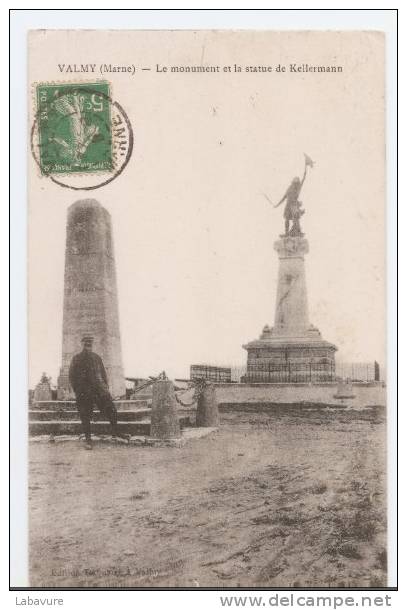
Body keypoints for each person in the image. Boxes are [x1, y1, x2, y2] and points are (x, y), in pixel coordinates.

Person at [69, 334, 122, 449]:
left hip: (99, 391)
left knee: (111, 409)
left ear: (92, 345)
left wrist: (105, 388)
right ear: (82, 344)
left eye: (90, 344)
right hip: (84, 392)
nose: (88, 346)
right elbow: (72, 376)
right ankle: (88, 440)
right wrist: (78, 391)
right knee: (85, 415)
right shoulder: (76, 358)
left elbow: (103, 374)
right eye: (86, 344)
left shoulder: (97, 358)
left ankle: (115, 432)